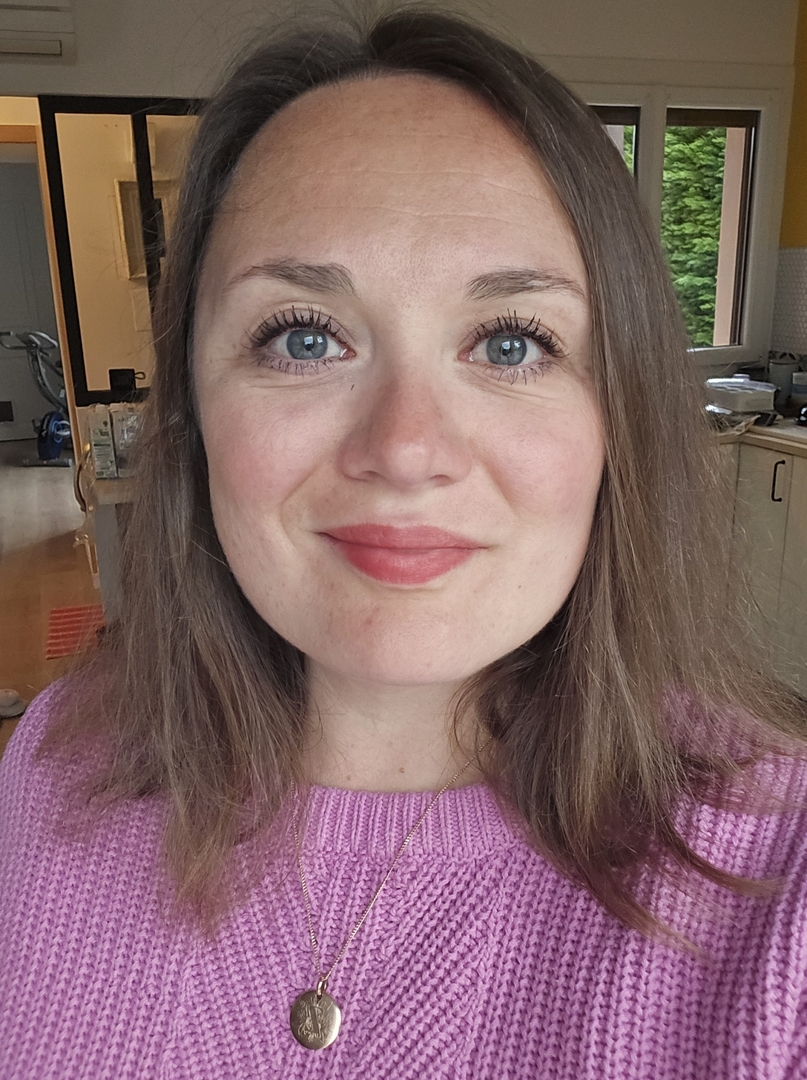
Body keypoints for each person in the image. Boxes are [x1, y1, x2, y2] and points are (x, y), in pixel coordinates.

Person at [2, 6, 807, 1078]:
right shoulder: (55, 766)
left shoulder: (783, 894)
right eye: (303, 336)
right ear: (191, 409)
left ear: (619, 417)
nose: (405, 449)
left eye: (511, 343)